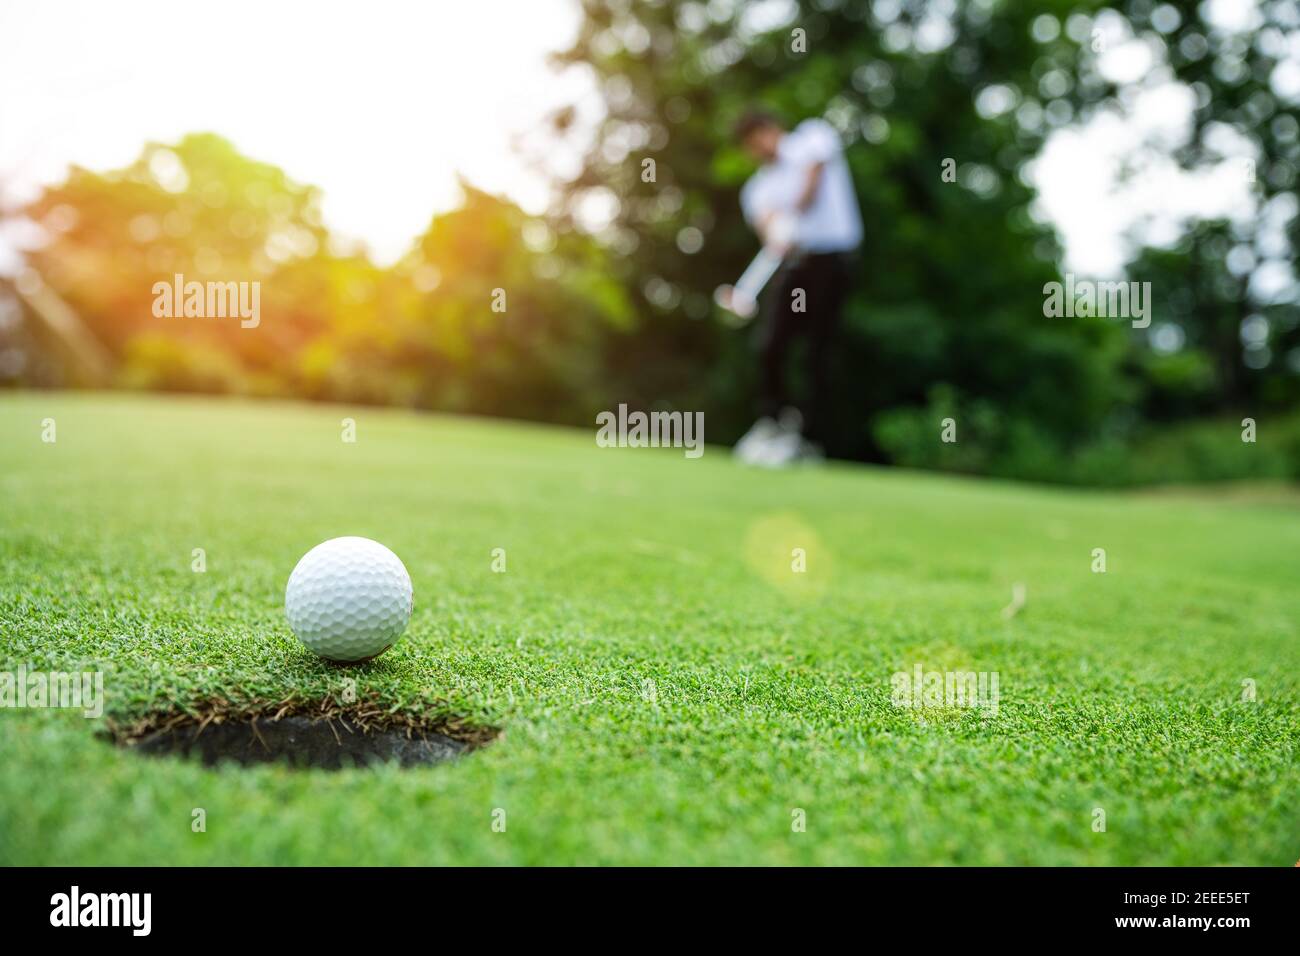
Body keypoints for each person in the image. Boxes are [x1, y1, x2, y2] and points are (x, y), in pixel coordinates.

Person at [729, 109, 862, 467]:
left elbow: (813, 179)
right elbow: (767, 226)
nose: (755, 148)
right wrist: (777, 232)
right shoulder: (757, 188)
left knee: (818, 351)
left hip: (833, 260)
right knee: (770, 344)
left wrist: (793, 213)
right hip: (794, 266)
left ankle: (809, 439)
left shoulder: (812, 138)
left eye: (756, 138)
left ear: (770, 130)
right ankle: (772, 423)